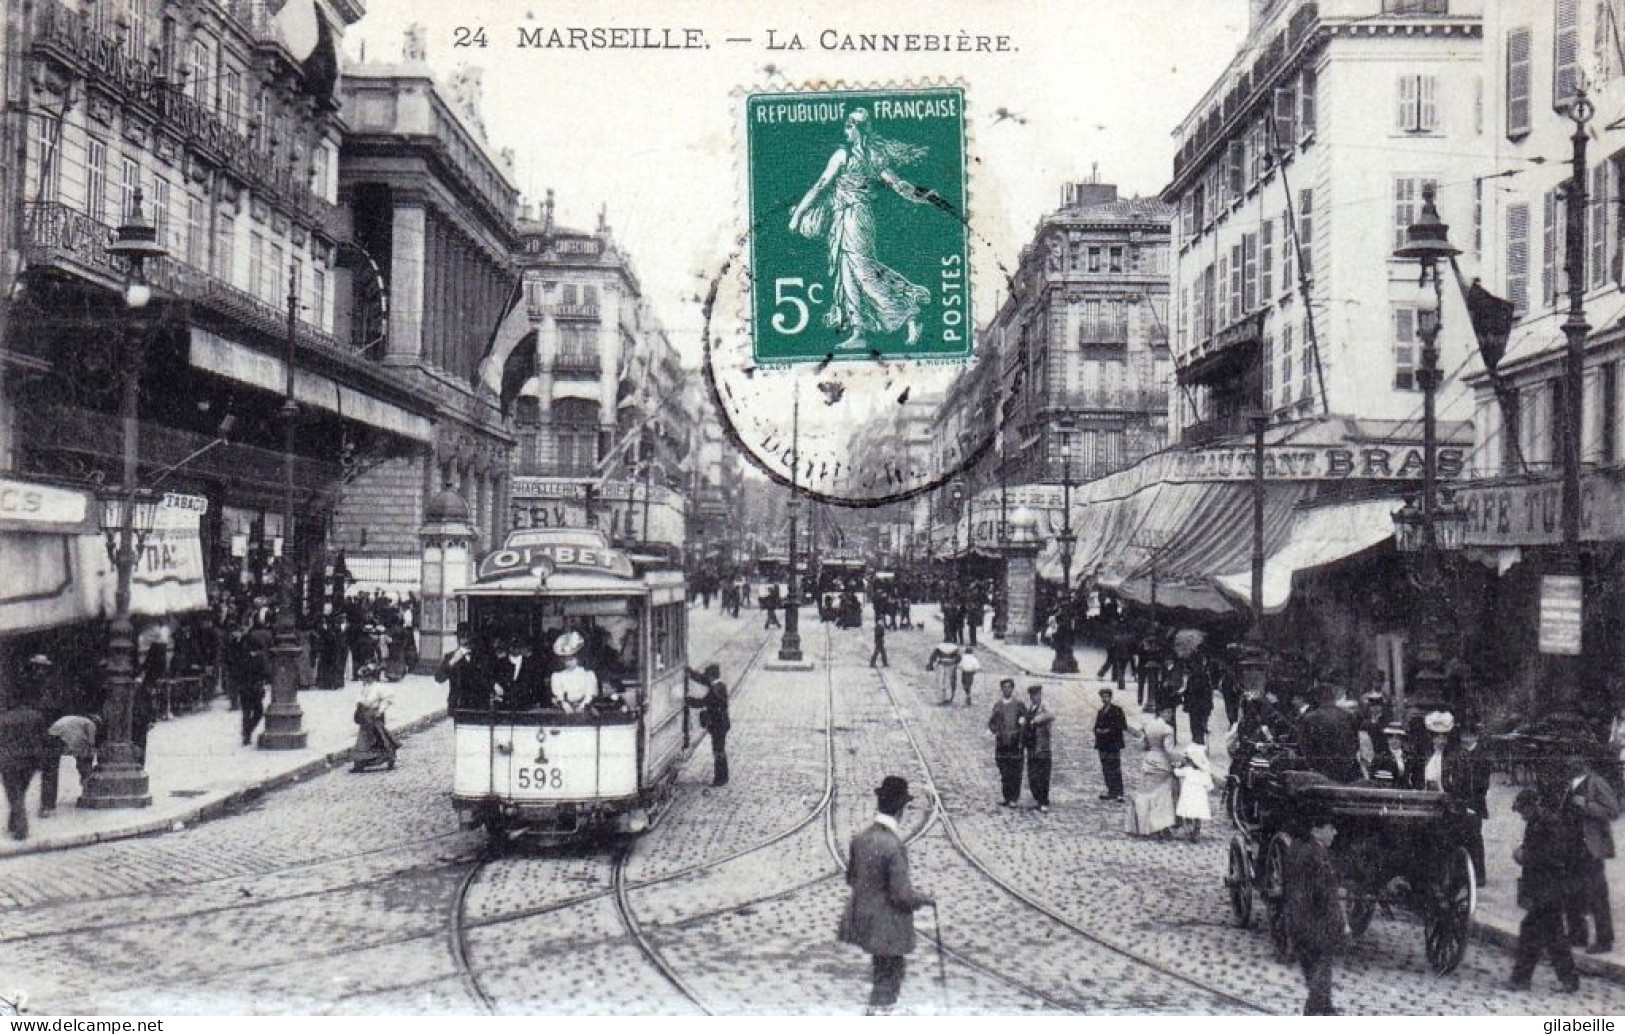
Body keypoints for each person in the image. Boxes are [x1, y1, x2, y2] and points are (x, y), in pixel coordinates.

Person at [837, 776, 935, 1015]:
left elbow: (851, 879)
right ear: (901, 810)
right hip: (889, 928)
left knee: (880, 973)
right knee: (890, 980)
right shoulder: (893, 845)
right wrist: (923, 898)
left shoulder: (860, 839)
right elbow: (902, 895)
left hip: (866, 922)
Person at [1509, 788, 1582, 992]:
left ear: (1533, 806)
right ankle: (1569, 980)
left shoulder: (1550, 825)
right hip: (1543, 888)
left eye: (1523, 811)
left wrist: (1525, 857)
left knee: (1532, 931)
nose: (1522, 816)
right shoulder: (1536, 823)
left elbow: (1554, 857)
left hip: (1551, 888)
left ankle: (1521, 979)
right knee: (1553, 936)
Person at [1282, 810, 1349, 1014]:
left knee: (1318, 970)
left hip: (1302, 922)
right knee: (1319, 971)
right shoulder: (1315, 856)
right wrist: (1341, 922)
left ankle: (1326, 1009)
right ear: (1317, 831)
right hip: (1313, 925)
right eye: (1331, 829)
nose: (1335, 833)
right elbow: (1323, 895)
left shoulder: (1305, 849)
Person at [1560, 750, 1619, 955]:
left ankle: (1604, 939)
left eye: (1574, 761)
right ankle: (1577, 935)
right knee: (1571, 892)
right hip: (1571, 846)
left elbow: (1613, 810)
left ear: (1584, 763)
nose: (1569, 764)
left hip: (1590, 848)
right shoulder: (1569, 785)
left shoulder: (1596, 782)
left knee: (1597, 894)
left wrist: (1587, 805)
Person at [1125, 711, 1178, 838]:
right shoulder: (1168, 730)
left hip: (1149, 762)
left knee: (1145, 794)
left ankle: (1141, 825)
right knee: (1161, 797)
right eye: (1169, 712)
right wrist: (1180, 759)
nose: (1171, 715)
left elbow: (1143, 745)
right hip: (1162, 764)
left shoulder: (1149, 725)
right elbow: (1169, 751)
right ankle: (1159, 826)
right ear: (1166, 712)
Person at [1294, 684, 1362, 783]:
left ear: (1317, 698)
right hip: (1346, 770)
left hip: (1321, 771)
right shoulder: (1348, 716)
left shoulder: (1309, 718)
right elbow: (1356, 743)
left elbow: (1305, 747)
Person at [684, 663, 731, 787]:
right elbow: (703, 679)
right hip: (721, 724)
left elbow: (702, 702)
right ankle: (723, 776)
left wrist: (686, 699)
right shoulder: (719, 685)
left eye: (708, 676)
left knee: (718, 751)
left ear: (711, 676)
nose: (707, 679)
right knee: (719, 750)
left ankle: (720, 778)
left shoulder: (715, 691)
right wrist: (690, 672)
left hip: (718, 726)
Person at [42, 713, 97, 811]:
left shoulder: (75, 719)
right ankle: (87, 789)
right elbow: (91, 742)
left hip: (51, 735)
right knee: (85, 763)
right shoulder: (90, 723)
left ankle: (47, 804)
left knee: (50, 771)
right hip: (66, 737)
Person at [988, 679, 1027, 807]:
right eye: (1004, 687)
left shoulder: (1019, 705)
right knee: (1003, 769)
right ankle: (1007, 796)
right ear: (1001, 689)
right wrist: (995, 731)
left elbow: (1024, 720)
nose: (1007, 689)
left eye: (1009, 687)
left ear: (1012, 689)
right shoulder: (998, 706)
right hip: (1002, 743)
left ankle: (1013, 798)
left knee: (1015, 770)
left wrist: (1021, 735)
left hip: (1015, 743)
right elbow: (992, 722)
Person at [436, 623, 491, 711]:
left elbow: (487, 678)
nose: (464, 639)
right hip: (457, 704)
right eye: (461, 636)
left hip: (478, 705)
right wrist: (452, 662)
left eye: (467, 636)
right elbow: (439, 678)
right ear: (457, 638)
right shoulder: (450, 656)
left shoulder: (481, 656)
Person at [350, 683, 399, 772]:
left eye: (367, 676)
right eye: (364, 677)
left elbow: (388, 700)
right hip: (364, 718)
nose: (365, 679)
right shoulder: (365, 688)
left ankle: (389, 756)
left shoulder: (379, 687)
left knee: (379, 737)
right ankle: (360, 763)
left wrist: (380, 711)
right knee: (363, 740)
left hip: (374, 717)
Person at [1023, 684, 1055, 812]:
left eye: (1036, 695)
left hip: (1042, 747)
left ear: (1040, 695)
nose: (1034, 697)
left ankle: (1043, 801)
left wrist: (1036, 720)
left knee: (1043, 775)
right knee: (1032, 775)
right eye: (1032, 695)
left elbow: (1051, 715)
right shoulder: (1030, 708)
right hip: (1031, 746)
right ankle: (1037, 799)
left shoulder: (1044, 707)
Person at [1174, 742, 1215, 840]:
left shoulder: (1188, 770)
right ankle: (1196, 832)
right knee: (1198, 816)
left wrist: (1176, 767)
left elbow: (1176, 773)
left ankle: (1189, 830)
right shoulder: (1204, 773)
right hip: (1199, 800)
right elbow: (1209, 786)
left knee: (1188, 813)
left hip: (1188, 798)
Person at [550, 631, 599, 713]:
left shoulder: (587, 675)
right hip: (565, 710)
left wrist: (583, 705)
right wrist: (564, 704)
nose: (568, 662)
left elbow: (590, 695)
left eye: (571, 659)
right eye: (565, 659)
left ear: (578, 658)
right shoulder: (558, 676)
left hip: (585, 708)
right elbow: (559, 695)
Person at [1094, 687, 1127, 802]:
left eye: (1107, 696)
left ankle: (1119, 792)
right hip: (1103, 744)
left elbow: (1122, 725)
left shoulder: (1117, 710)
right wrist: (1098, 731)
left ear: (1110, 697)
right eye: (1103, 696)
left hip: (1113, 744)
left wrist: (1108, 730)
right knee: (1106, 768)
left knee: (1115, 767)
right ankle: (1111, 790)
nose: (1105, 699)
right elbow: (1096, 726)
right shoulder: (1100, 711)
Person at [497, 638, 550, 710]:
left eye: (518, 645)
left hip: (527, 706)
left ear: (523, 647)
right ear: (508, 647)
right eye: (512, 645)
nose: (515, 648)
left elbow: (537, 685)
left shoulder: (532, 664)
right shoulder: (499, 663)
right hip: (503, 705)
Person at [1097, 626, 1138, 693]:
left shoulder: (1116, 638)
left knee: (1119, 669)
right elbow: (1134, 647)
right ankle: (1119, 679)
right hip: (1127, 656)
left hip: (1118, 655)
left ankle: (1119, 682)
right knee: (1122, 669)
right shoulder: (1130, 639)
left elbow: (1112, 647)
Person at [925, 639, 961, 705]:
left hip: (941, 664)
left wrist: (930, 663)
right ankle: (949, 697)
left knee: (941, 680)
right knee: (950, 681)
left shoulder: (939, 647)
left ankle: (941, 698)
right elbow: (958, 658)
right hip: (951, 665)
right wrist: (955, 662)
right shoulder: (955, 648)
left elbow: (933, 656)